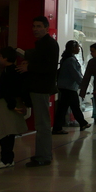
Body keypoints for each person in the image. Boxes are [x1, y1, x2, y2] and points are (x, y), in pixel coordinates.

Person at [17, 16, 60, 167]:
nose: (35, 29)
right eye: (34, 26)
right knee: (41, 123)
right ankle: (41, 154)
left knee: (42, 123)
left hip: (42, 88)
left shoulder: (49, 44)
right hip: (38, 87)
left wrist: (29, 67)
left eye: (39, 26)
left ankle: (44, 156)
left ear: (46, 27)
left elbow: (49, 68)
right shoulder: (42, 44)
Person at [0, 47, 31, 169]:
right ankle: (7, 158)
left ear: (5, 58)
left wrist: (11, 104)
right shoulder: (16, 71)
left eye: (1, 56)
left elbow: (7, 90)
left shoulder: (8, 72)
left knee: (4, 132)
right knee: (8, 132)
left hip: (7, 105)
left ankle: (6, 159)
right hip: (13, 103)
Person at [52, 40, 92, 135]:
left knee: (69, 107)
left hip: (66, 87)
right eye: (78, 47)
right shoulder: (70, 60)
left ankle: (82, 123)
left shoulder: (67, 58)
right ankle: (58, 128)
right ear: (73, 48)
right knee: (68, 107)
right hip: (68, 88)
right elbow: (75, 74)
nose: (79, 49)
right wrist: (84, 84)